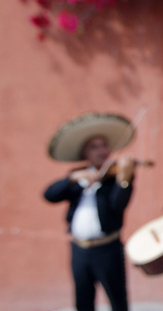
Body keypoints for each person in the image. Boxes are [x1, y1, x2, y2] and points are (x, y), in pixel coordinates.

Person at [44, 113, 138, 311]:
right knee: (83, 300)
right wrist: (73, 178)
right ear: (85, 152)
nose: (101, 150)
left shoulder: (116, 178)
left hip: (107, 248)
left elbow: (117, 206)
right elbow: (49, 195)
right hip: (79, 249)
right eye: (94, 147)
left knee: (117, 299)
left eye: (104, 145)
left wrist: (125, 180)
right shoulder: (78, 176)